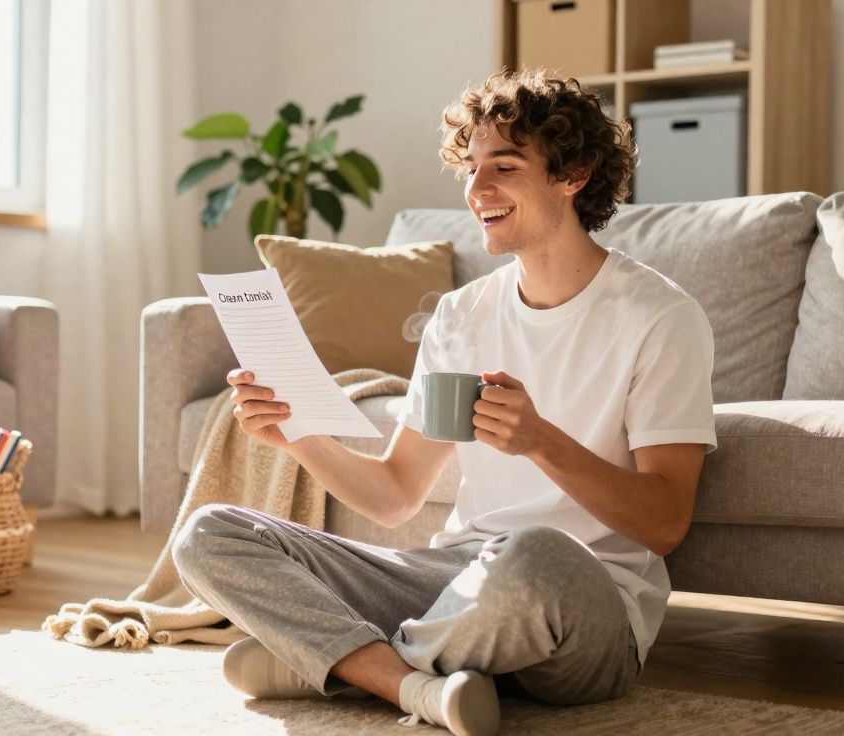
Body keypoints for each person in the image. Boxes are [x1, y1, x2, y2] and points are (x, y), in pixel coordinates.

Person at [172, 68, 717, 736]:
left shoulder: (661, 317)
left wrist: (541, 441)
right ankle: (406, 682)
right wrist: (297, 438)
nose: (476, 189)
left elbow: (664, 523)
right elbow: (397, 494)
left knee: (533, 554)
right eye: (472, 167)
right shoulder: (463, 315)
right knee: (209, 534)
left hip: (582, 599)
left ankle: (339, 662)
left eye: (505, 167)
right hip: (450, 579)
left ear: (573, 174)